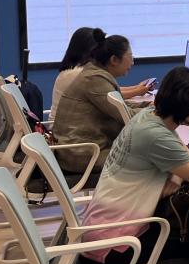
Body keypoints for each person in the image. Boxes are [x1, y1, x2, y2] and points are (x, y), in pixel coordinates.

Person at [77, 67, 189, 264]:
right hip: (113, 245)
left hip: (101, 229)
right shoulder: (156, 136)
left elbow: (181, 157)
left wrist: (178, 176)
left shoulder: (147, 117)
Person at [51, 33, 149, 179]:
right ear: (114, 60)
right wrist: (159, 110)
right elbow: (126, 116)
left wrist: (146, 105)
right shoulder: (94, 79)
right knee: (152, 160)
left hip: (81, 150)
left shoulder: (94, 74)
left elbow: (120, 105)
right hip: (85, 155)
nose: (133, 62)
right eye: (131, 56)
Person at [50, 27, 153, 121]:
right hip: (74, 131)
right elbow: (123, 113)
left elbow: (116, 98)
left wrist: (146, 102)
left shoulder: (91, 73)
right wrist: (152, 107)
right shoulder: (88, 75)